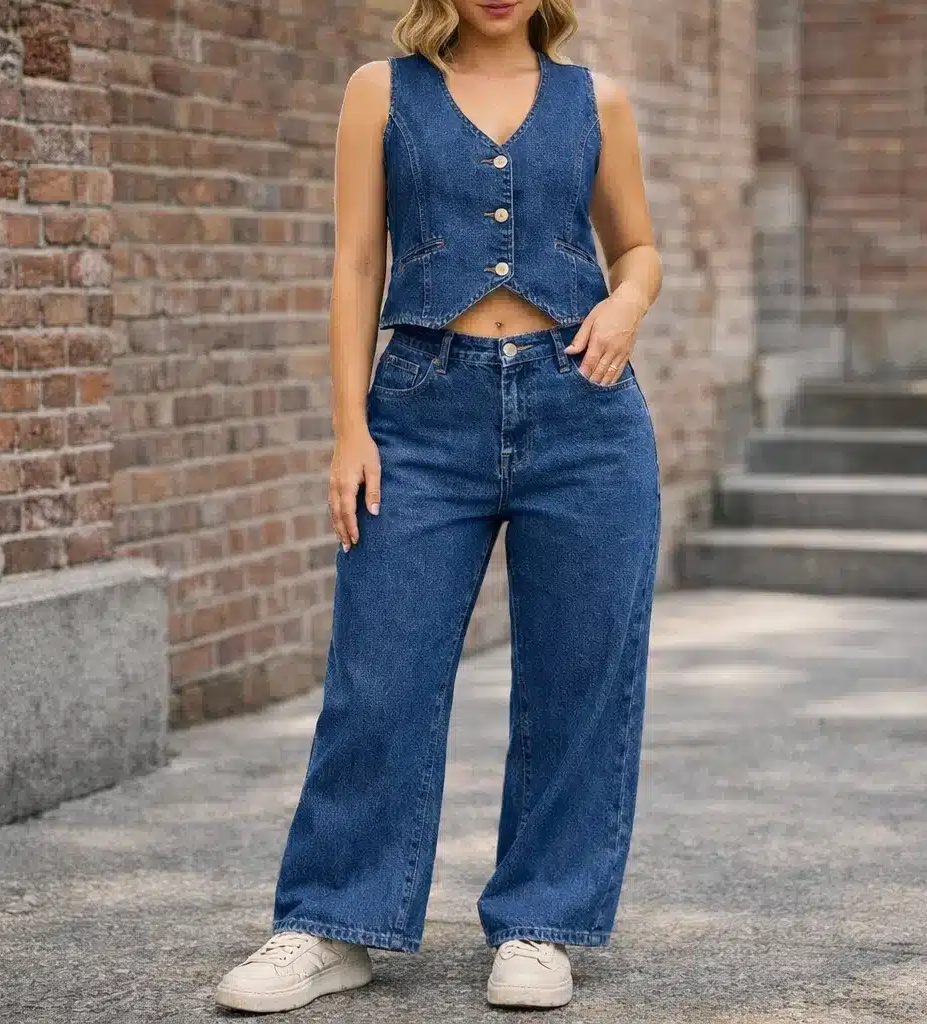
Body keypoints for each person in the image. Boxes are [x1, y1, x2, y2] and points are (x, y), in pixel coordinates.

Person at [213, 0, 663, 1013]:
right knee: (380, 670)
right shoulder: (381, 92)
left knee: (578, 678)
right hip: (419, 409)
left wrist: (627, 303)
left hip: (581, 412)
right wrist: (349, 429)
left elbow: (638, 249)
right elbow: (355, 264)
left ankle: (542, 923)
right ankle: (332, 921)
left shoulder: (601, 101)